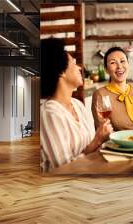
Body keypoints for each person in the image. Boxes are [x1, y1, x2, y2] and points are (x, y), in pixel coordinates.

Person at [40, 38, 113, 172]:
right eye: (73, 63)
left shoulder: (78, 105)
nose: (79, 67)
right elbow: (63, 169)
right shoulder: (49, 114)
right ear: (61, 71)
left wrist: (103, 139)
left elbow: (91, 149)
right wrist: (97, 139)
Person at [92, 47, 133, 131]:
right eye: (113, 63)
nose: (119, 66)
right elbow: (103, 131)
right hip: (118, 144)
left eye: (122, 61)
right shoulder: (100, 95)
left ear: (128, 65)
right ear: (106, 70)